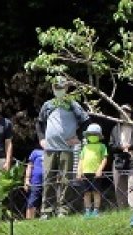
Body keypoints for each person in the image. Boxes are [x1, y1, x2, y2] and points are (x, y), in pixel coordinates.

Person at [36, 76, 90, 219]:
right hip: (50, 148)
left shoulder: (72, 104)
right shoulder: (48, 105)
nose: (58, 90)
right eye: (56, 87)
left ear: (66, 88)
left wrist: (77, 136)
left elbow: (86, 121)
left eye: (61, 87)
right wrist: (42, 139)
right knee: (48, 179)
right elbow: (39, 123)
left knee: (66, 180)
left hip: (67, 148)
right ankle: (46, 211)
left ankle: (63, 209)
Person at [109, 104, 133, 210]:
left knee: (132, 184)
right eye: (122, 112)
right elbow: (111, 145)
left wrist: (131, 147)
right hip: (119, 158)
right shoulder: (115, 128)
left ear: (131, 113)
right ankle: (122, 209)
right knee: (119, 185)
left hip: (132, 157)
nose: (124, 114)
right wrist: (120, 147)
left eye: (127, 111)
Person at [76, 123, 108, 218]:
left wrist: (100, 170)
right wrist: (79, 171)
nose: (93, 136)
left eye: (95, 134)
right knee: (86, 193)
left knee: (96, 192)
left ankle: (96, 211)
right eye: (91, 134)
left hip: (96, 173)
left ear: (99, 136)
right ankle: (87, 211)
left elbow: (104, 159)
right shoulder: (85, 147)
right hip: (85, 173)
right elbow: (81, 160)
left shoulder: (102, 146)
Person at [24, 143, 44, 220]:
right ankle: (29, 220)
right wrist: (27, 179)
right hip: (35, 182)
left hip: (48, 181)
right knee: (32, 201)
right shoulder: (36, 152)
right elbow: (29, 166)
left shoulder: (52, 152)